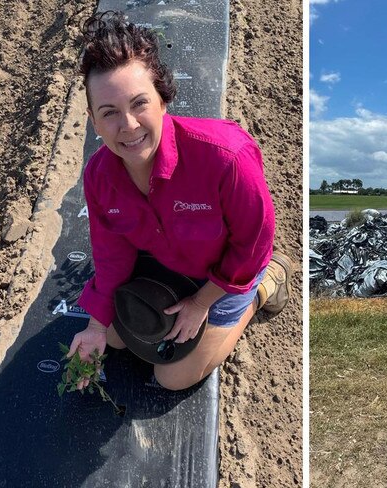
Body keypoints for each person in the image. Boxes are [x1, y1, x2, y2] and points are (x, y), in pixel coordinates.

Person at [66, 11, 292, 391]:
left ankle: (268, 284)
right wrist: (95, 326)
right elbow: (111, 255)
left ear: (162, 99)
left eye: (139, 103)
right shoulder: (100, 176)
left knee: (171, 376)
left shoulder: (225, 157)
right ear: (93, 120)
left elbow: (252, 244)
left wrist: (202, 302)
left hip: (224, 273)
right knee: (117, 338)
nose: (129, 126)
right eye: (109, 113)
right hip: (166, 264)